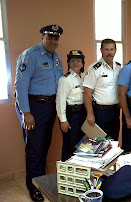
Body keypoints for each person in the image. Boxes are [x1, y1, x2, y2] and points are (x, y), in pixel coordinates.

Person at [14, 25, 63, 201]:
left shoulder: (56, 57)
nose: (53, 41)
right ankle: (32, 186)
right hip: (34, 106)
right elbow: (20, 87)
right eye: (49, 37)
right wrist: (26, 113)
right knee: (34, 148)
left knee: (44, 146)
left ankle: (40, 179)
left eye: (56, 38)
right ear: (42, 37)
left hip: (49, 107)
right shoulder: (30, 55)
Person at [83, 39, 121, 141]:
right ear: (101, 50)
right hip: (100, 113)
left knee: (113, 142)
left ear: (115, 50)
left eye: (112, 49)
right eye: (106, 49)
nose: (109, 52)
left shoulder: (118, 67)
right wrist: (90, 113)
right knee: (99, 144)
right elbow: (87, 93)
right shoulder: (94, 69)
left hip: (115, 111)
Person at [56, 50, 86, 161]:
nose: (76, 63)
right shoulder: (65, 79)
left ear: (82, 62)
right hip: (71, 115)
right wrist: (63, 120)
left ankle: (79, 171)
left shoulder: (84, 76)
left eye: (78, 60)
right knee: (70, 145)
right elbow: (60, 101)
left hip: (82, 114)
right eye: (72, 60)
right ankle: (67, 172)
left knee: (81, 144)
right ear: (68, 62)